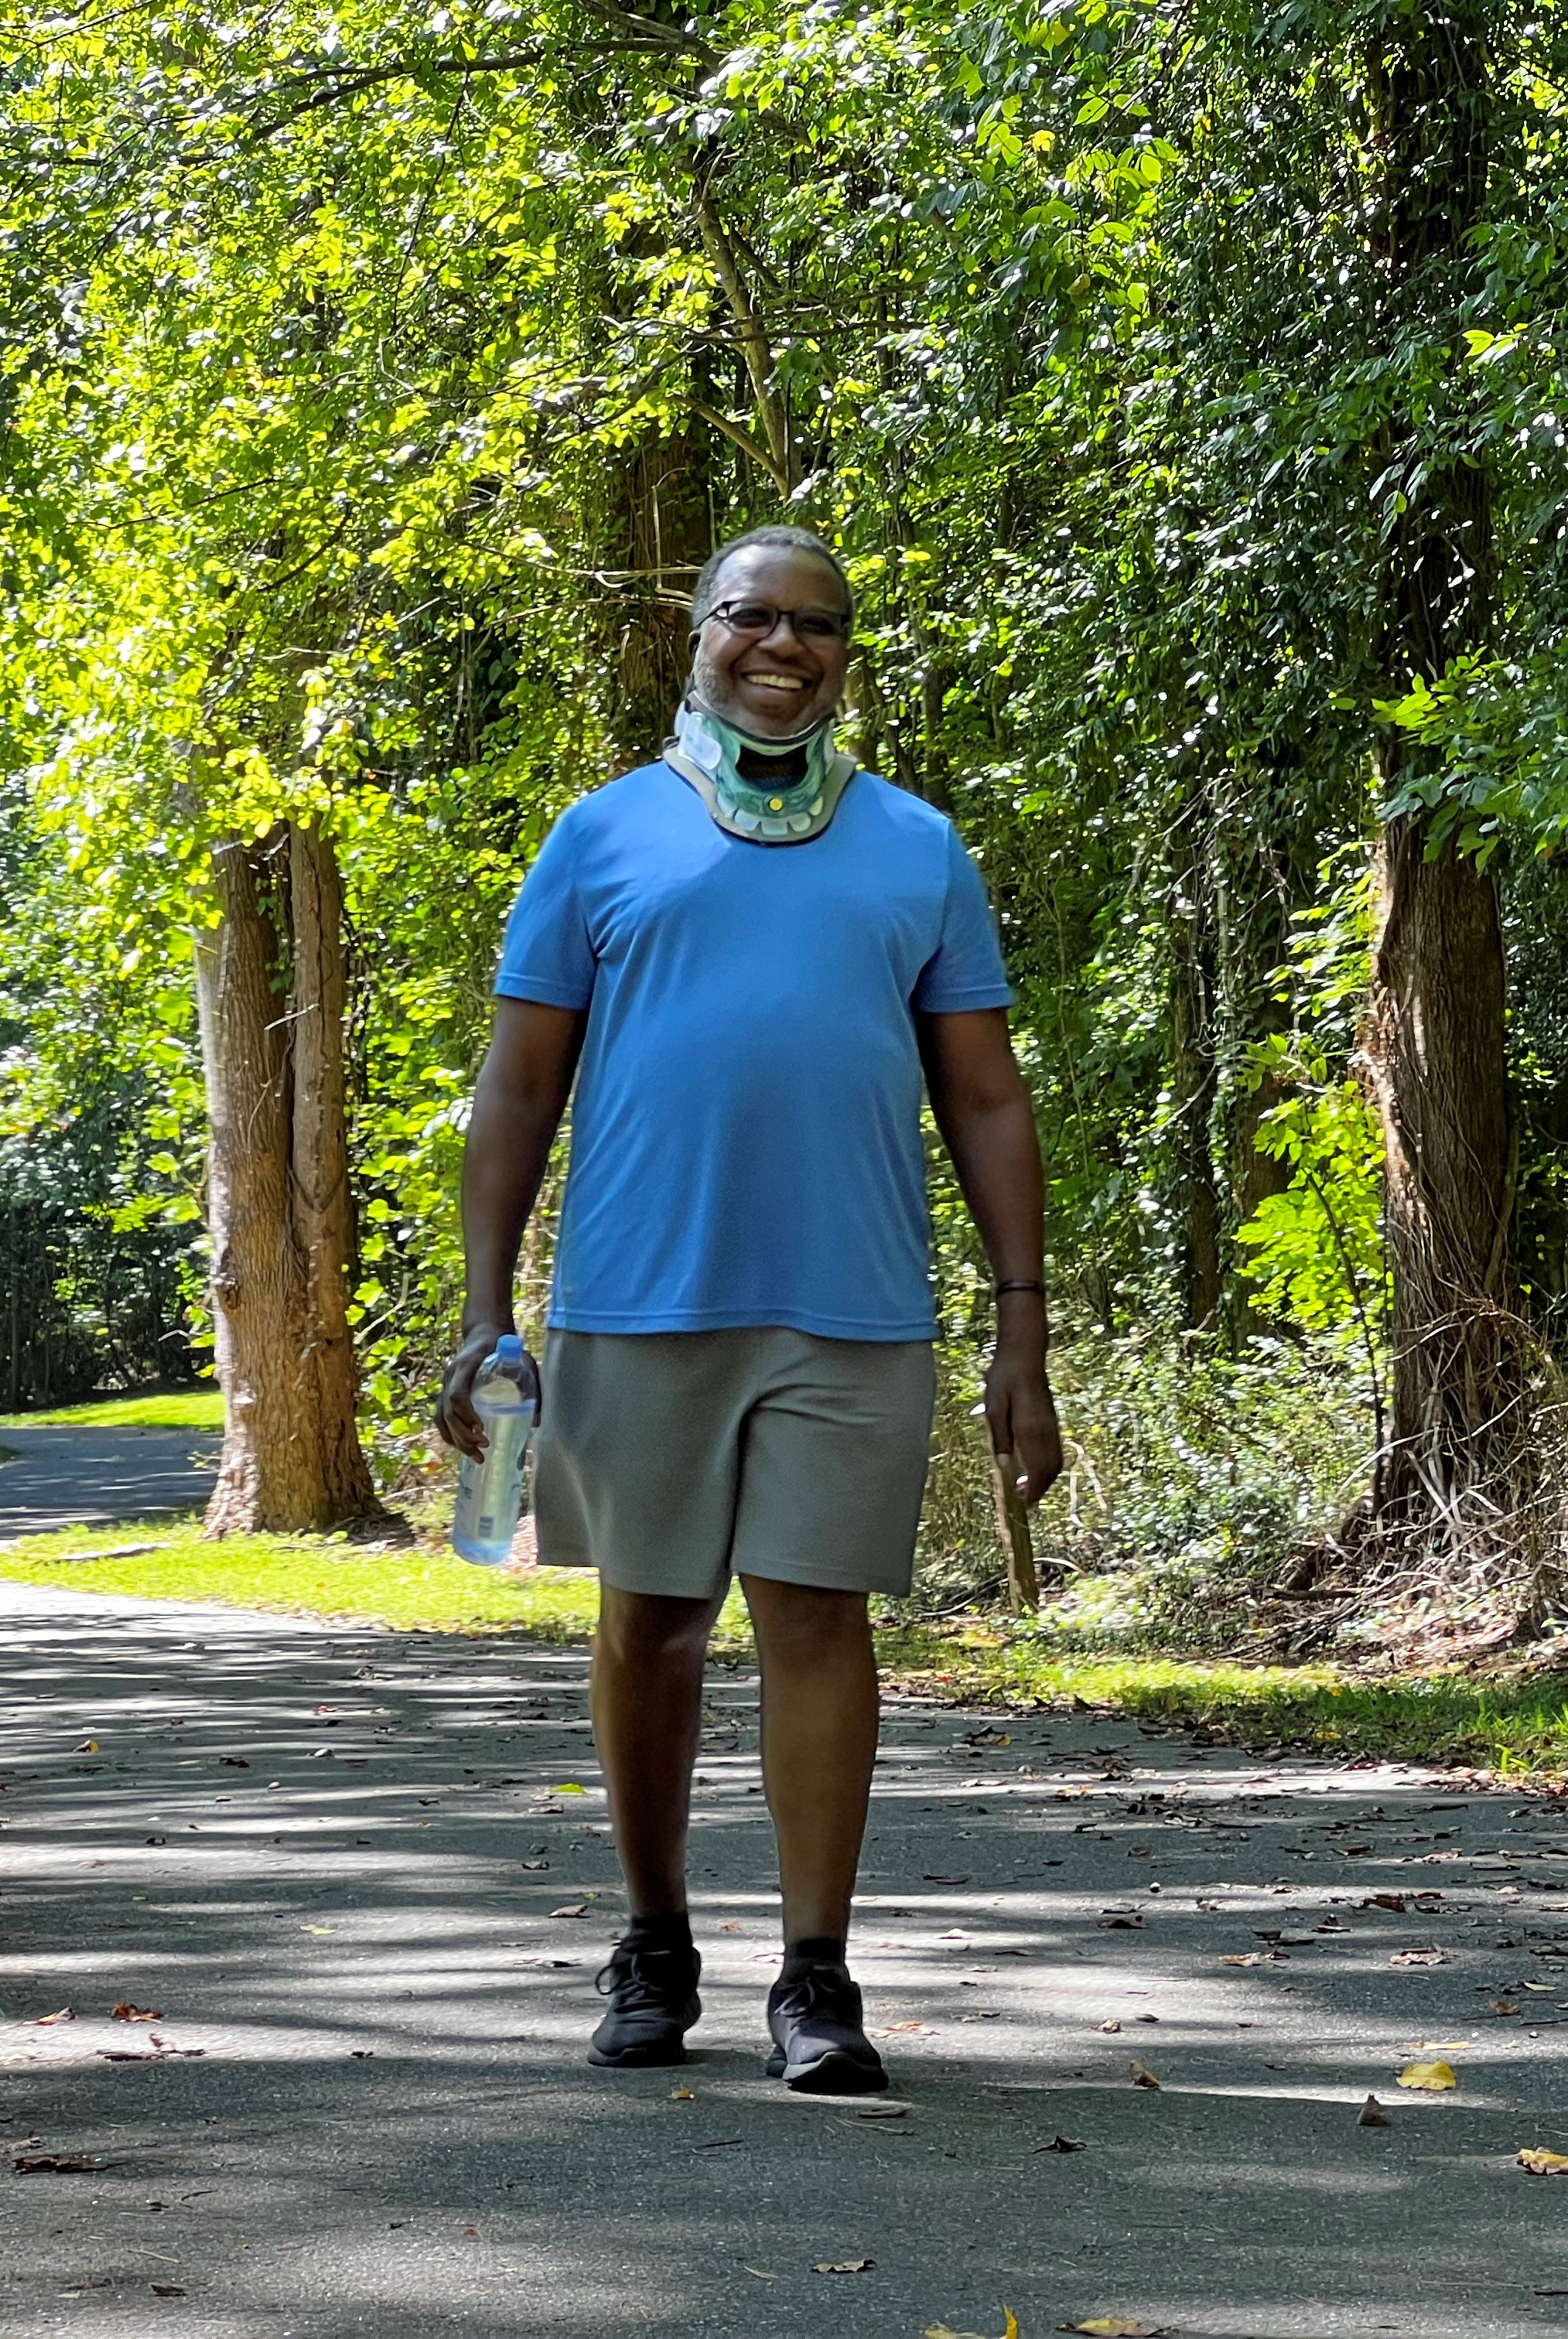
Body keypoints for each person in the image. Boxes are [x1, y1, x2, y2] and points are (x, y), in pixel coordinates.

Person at [436, 524, 1062, 2095]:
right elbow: (518, 1083)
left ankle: (817, 1979)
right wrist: (484, 1309)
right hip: (638, 1300)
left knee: (816, 1620)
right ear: (697, 633)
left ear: (850, 655)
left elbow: (985, 1100)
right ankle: (654, 1945)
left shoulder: (918, 847)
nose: (788, 648)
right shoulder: (599, 837)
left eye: (822, 627)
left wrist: (1023, 1321)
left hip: (853, 1306)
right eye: (755, 618)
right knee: (648, 1627)